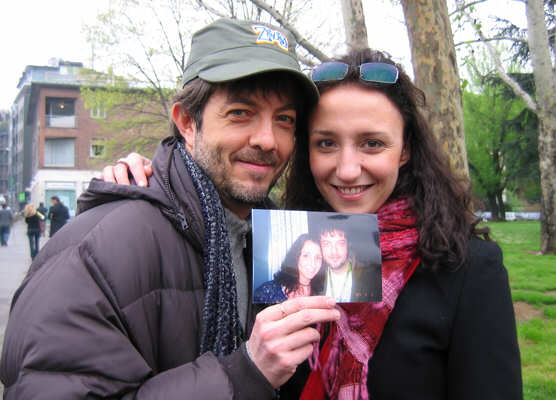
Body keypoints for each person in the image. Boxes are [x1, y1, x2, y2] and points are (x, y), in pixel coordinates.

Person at [109, 48, 523, 399]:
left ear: (404, 150)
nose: (347, 169)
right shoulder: (277, 243)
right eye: (326, 143)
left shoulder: (466, 267)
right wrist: (160, 179)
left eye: (372, 143)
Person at [0, 18, 340, 399]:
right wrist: (244, 374)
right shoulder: (97, 251)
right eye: (240, 113)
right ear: (187, 123)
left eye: (284, 120)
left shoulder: (280, 241)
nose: (267, 140)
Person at [315, 221, 381, 302]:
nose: (334, 252)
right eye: (326, 244)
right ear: (320, 246)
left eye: (340, 243)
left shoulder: (372, 277)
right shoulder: (315, 279)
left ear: (348, 244)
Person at [254, 233, 325, 303]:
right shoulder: (268, 291)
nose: (313, 263)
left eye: (318, 257)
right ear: (296, 257)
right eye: (306, 256)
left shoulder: (322, 293)